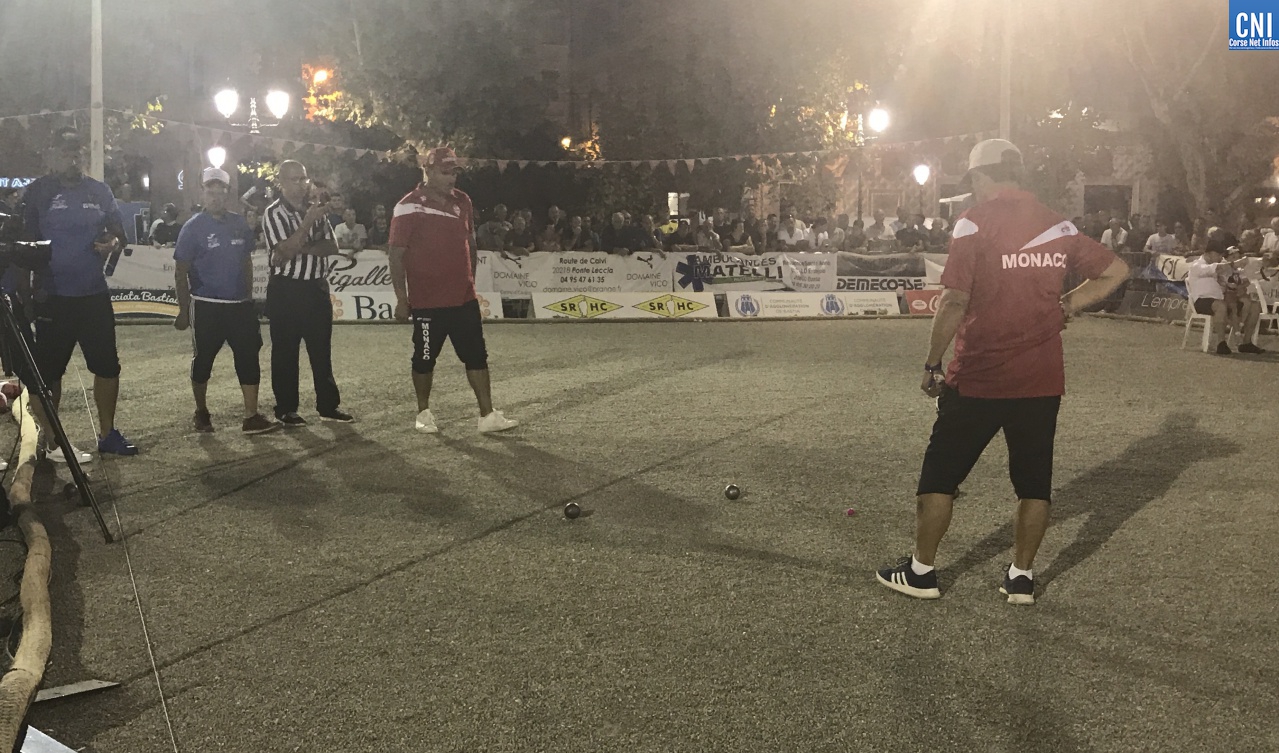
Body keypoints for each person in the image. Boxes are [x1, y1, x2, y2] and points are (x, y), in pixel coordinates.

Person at [875, 139, 1129, 605]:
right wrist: (1067, 305)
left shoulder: (974, 221)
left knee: (939, 477)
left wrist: (932, 362)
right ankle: (1021, 578)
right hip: (1041, 379)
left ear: (980, 176)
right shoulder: (1057, 223)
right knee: (1034, 484)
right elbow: (1116, 272)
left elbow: (954, 300)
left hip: (979, 375)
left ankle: (922, 572)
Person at [23, 125, 139, 460]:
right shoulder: (38, 192)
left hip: (93, 295)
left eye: (76, 152)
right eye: (64, 152)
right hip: (52, 296)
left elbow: (119, 233)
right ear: (53, 155)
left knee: (108, 367)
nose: (71, 158)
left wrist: (112, 241)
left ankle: (107, 434)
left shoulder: (99, 191)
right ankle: (51, 440)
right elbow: (22, 245)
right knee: (48, 374)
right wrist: (26, 297)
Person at [387, 147, 518, 435]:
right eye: (445, 172)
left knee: (477, 356)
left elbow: (470, 243)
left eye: (454, 172)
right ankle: (423, 413)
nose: (451, 178)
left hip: (463, 298)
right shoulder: (408, 206)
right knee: (424, 359)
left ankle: (487, 415)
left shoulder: (463, 201)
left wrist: (471, 281)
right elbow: (396, 254)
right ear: (428, 171)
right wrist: (402, 299)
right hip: (427, 300)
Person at [173, 168, 280, 435]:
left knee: (248, 356)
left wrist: (248, 297)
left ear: (227, 194)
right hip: (206, 304)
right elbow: (180, 271)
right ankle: (201, 411)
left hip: (239, 305)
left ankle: (251, 415)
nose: (215, 197)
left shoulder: (239, 224)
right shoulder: (192, 228)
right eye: (210, 192)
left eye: (220, 192)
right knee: (203, 360)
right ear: (203, 193)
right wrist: (183, 310)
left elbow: (246, 262)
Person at [262, 160, 352, 426]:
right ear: (280, 183)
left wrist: (301, 246)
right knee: (286, 351)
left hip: (315, 287)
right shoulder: (274, 213)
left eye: (303, 179)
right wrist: (307, 225)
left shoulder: (315, 209)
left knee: (321, 349)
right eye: (294, 179)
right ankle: (286, 409)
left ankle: (328, 405)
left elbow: (331, 247)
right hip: (287, 289)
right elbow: (284, 251)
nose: (301, 185)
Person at [1186, 233, 1266, 355]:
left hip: (1222, 299)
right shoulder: (1197, 265)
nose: (1220, 257)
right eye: (1218, 255)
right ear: (1209, 253)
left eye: (1221, 255)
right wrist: (1235, 264)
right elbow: (1217, 268)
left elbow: (1232, 277)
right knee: (1221, 306)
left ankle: (1246, 343)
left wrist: (1249, 277)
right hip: (1202, 301)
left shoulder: (1220, 263)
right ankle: (1221, 343)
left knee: (1255, 306)